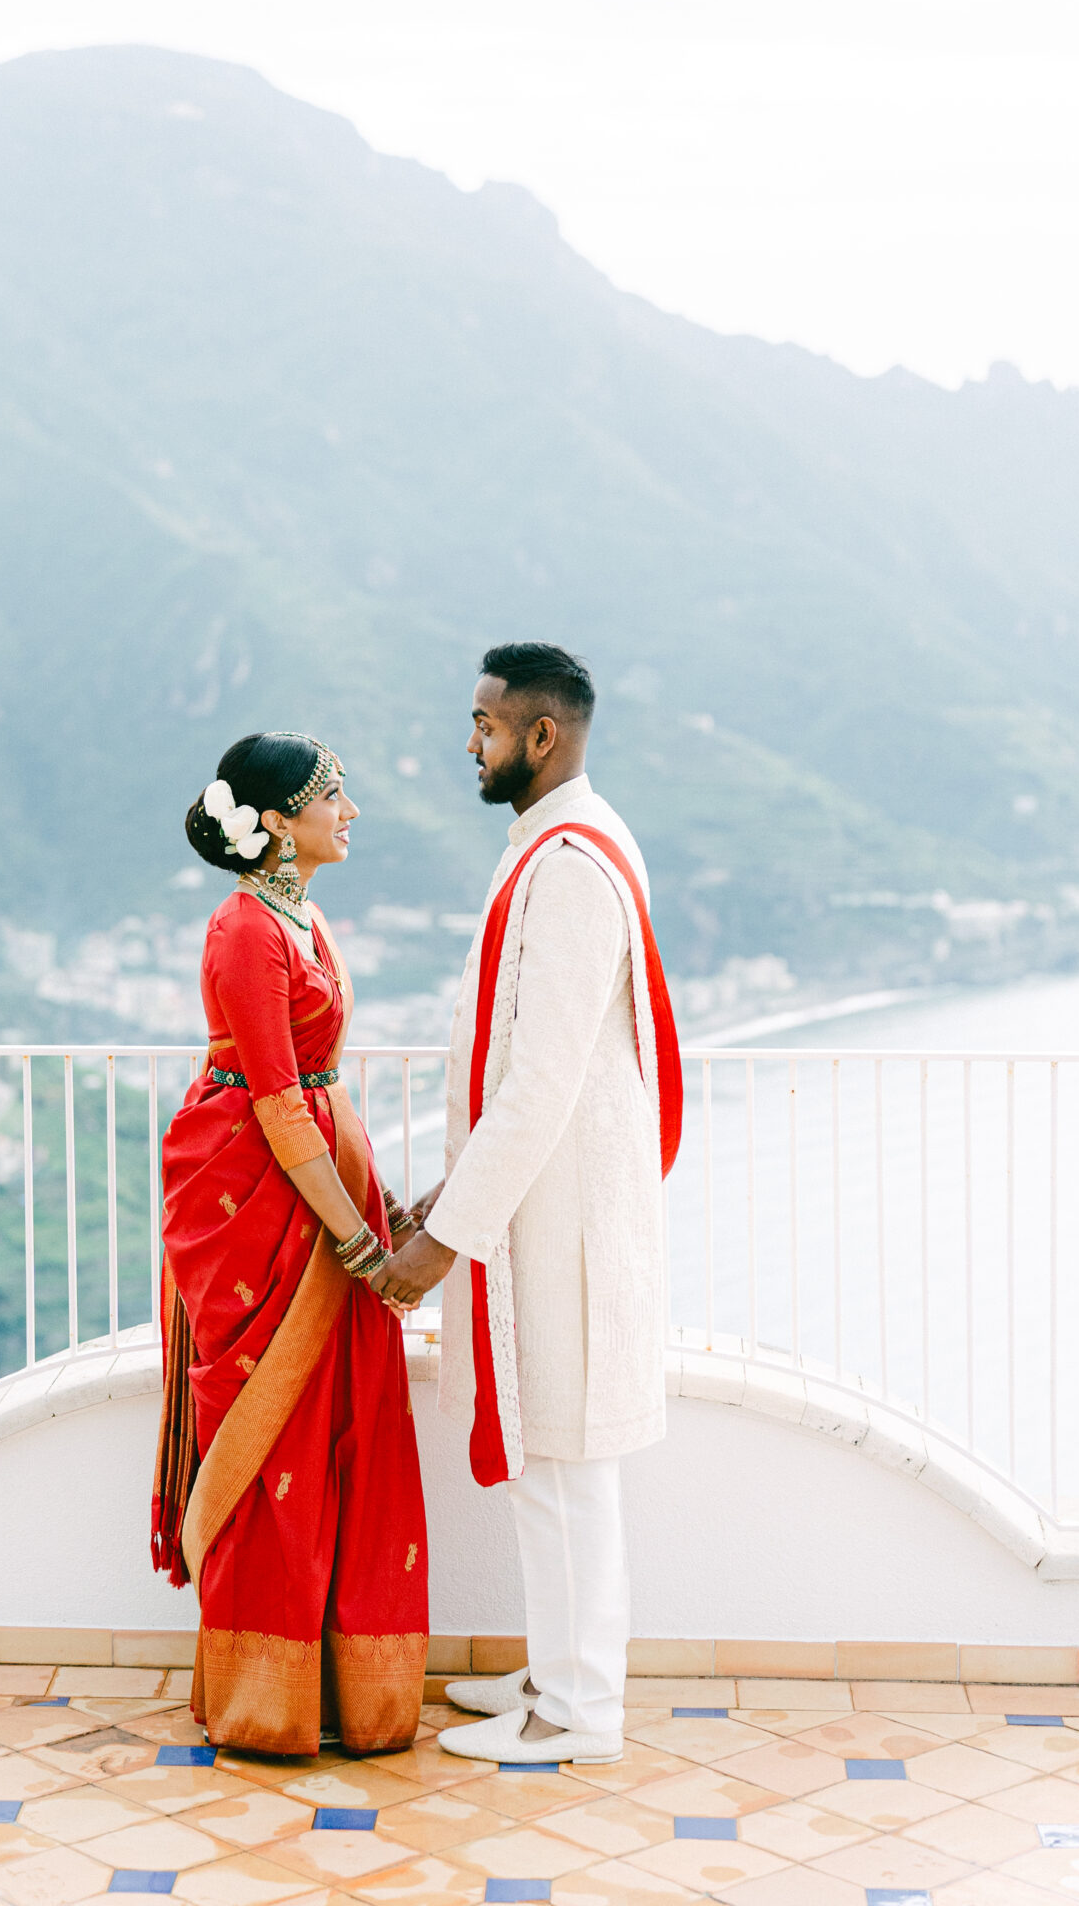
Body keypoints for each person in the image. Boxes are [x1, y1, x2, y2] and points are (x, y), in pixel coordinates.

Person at [376, 643, 683, 1765]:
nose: (471, 741)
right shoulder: (562, 845)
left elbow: (539, 1081)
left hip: (562, 1232)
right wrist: (449, 1192)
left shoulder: (568, 867)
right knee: (549, 1464)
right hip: (539, 1216)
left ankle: (580, 1710)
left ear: (539, 735)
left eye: (485, 723)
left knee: (568, 1469)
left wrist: (442, 1240)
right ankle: (555, 1671)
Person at [152, 731, 428, 1757]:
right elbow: (275, 1099)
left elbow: (319, 1088)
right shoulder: (244, 931)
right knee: (268, 1423)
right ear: (275, 819)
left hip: (306, 1175)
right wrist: (359, 1244)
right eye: (332, 795)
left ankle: (342, 1689)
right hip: (250, 1196)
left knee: (338, 1424)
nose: (350, 811)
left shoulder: (302, 916)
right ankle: (263, 1701)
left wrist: (377, 1200)